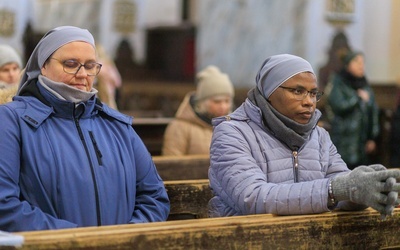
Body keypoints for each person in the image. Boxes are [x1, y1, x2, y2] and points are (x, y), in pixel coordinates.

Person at [0, 26, 169, 232]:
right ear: (43, 65)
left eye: (90, 66)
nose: (82, 74)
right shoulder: (12, 120)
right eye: (70, 64)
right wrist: (79, 240)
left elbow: (153, 196)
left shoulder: (117, 125)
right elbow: (4, 205)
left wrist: (125, 237)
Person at [208, 54, 400, 218]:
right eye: (298, 91)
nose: (309, 102)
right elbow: (254, 198)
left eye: (313, 93)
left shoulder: (319, 136)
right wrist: (337, 189)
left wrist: (364, 189)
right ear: (268, 91)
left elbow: (340, 183)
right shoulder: (232, 133)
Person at [162, 65, 235, 156]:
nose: (223, 106)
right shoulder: (179, 127)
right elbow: (171, 165)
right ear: (203, 103)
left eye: (227, 101)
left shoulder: (234, 126)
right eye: (217, 101)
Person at [325, 51, 380, 170]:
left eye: (362, 62)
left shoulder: (365, 85)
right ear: (347, 65)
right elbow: (338, 106)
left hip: (362, 143)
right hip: (343, 142)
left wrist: (372, 137)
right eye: (357, 62)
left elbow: (373, 112)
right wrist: (357, 98)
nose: (361, 65)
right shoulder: (338, 82)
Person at [94, 44, 122, 110]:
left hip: (104, 94)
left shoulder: (104, 64)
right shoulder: (108, 64)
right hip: (104, 95)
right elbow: (118, 82)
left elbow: (117, 82)